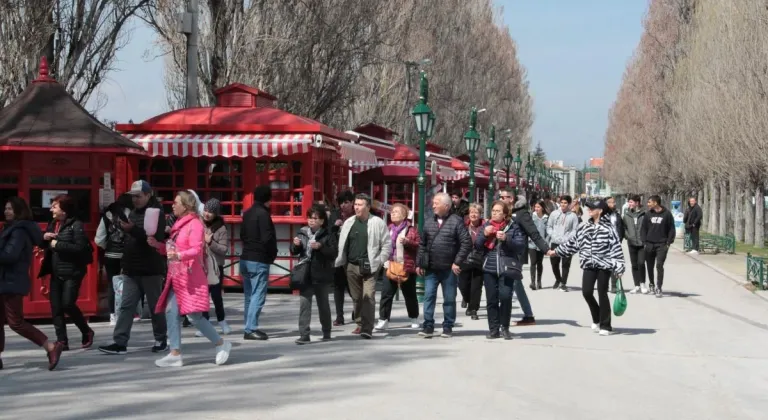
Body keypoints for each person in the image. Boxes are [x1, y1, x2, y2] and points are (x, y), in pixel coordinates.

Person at [148, 191, 231, 367]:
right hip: (177, 275)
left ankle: (221, 343)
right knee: (171, 312)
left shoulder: (195, 224)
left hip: (190, 277)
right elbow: (174, 248)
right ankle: (175, 353)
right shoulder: (180, 225)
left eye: (176, 202)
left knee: (194, 317)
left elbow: (195, 249)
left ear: (185, 206)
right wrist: (159, 246)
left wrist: (178, 255)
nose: (172, 205)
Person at [99, 180, 168, 355]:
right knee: (126, 306)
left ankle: (161, 339)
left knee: (155, 307)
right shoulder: (133, 212)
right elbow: (130, 240)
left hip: (151, 268)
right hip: (131, 267)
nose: (135, 200)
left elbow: (154, 238)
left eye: (138, 196)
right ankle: (120, 342)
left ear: (148, 195)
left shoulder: (156, 213)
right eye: (133, 196)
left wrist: (132, 230)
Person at [0, 197, 64, 371]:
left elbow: (10, 255)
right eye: (5, 208)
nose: (6, 212)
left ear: (19, 211)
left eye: (10, 209)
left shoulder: (19, 231)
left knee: (16, 322)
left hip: (11, 281)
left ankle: (51, 347)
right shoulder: (12, 228)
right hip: (5, 280)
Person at [549, 200, 625, 336]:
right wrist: (556, 251)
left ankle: (606, 325)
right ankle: (597, 316)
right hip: (588, 265)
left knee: (602, 293)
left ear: (600, 210)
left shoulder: (609, 228)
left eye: (592, 208)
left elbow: (616, 248)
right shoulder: (584, 227)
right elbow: (573, 243)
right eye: (588, 208)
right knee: (587, 292)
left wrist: (619, 267)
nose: (589, 210)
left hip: (604, 265)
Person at [39, 194, 95, 351]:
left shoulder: (76, 225)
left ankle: (86, 331)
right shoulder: (53, 224)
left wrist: (57, 244)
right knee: (56, 308)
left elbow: (80, 248)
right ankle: (62, 341)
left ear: (64, 210)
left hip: (73, 271)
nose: (51, 209)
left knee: (67, 304)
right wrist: (45, 237)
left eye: (55, 206)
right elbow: (46, 244)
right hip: (56, 271)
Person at [416, 193, 471, 338]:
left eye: (436, 203)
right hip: (431, 268)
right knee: (429, 296)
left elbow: (466, 243)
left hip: (449, 269)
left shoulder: (456, 221)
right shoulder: (428, 222)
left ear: (446, 206)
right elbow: (422, 245)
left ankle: (448, 326)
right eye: (433, 203)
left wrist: (457, 262)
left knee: (449, 299)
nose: (433, 205)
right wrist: (419, 263)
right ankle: (428, 325)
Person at [335, 194, 390, 339]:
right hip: (351, 266)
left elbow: (386, 245)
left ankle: (367, 328)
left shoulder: (377, 223)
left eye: (360, 204)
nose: (356, 207)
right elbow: (342, 244)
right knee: (356, 297)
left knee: (368, 296)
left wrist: (379, 261)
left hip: (370, 266)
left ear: (368, 207)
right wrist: (343, 262)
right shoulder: (349, 222)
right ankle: (359, 322)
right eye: (355, 204)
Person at [476, 201, 527, 340]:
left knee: (505, 296)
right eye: (493, 210)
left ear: (504, 214)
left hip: (507, 266)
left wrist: (506, 238)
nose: (495, 213)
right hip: (489, 266)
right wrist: (484, 235)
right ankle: (493, 329)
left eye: (498, 211)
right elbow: (477, 245)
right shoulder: (486, 226)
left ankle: (505, 327)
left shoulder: (513, 226)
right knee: (491, 300)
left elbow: (520, 245)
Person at [290, 204, 338, 344]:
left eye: (315, 218)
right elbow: (294, 251)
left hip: (321, 273)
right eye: (310, 218)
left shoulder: (328, 234)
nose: (311, 221)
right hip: (305, 273)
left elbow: (333, 253)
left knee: (323, 304)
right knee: (304, 304)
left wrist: (321, 247)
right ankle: (304, 334)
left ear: (322, 221)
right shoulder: (302, 232)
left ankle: (326, 331)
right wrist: (296, 245)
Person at [503, 190, 548, 326]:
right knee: (513, 284)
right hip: (502, 252)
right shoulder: (501, 211)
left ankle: (524, 315)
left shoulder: (522, 214)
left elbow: (533, 233)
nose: (503, 199)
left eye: (507, 197)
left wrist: (545, 249)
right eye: (501, 196)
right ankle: (525, 315)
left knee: (513, 283)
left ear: (513, 199)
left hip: (516, 253)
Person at [241, 185, 278, 340]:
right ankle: (251, 328)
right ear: (268, 199)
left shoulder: (247, 213)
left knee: (249, 295)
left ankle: (248, 325)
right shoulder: (263, 215)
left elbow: (242, 234)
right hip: (259, 259)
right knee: (258, 294)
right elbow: (267, 238)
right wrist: (272, 254)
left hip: (245, 256)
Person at [376, 203, 421, 330]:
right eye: (392, 212)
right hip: (390, 265)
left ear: (403, 215)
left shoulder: (411, 229)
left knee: (410, 294)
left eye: (396, 212)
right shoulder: (388, 229)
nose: (393, 213)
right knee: (386, 294)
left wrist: (408, 242)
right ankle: (383, 319)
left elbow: (419, 245)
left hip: (405, 266)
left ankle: (414, 318)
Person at [95, 193, 133, 326]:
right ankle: (128, 313)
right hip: (127, 254)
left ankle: (112, 315)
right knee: (129, 284)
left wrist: (108, 247)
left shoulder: (107, 215)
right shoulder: (132, 214)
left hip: (110, 255)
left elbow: (99, 239)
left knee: (112, 285)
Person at [198, 198, 231, 335]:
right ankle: (204, 324)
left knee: (216, 296)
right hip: (201, 265)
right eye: (206, 210)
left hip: (216, 266)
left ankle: (222, 321)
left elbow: (224, 249)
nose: (207, 214)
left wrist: (210, 242)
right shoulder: (198, 224)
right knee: (203, 296)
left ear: (216, 214)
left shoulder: (221, 228)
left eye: (211, 212)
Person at [329, 190, 354, 326]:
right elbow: (328, 234)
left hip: (352, 256)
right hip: (337, 256)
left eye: (346, 202)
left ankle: (357, 310)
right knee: (338, 287)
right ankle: (339, 316)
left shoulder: (357, 216)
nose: (343, 206)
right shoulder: (335, 216)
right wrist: (335, 227)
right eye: (341, 203)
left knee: (353, 287)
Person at [643, 195, 675, 297]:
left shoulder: (667, 214)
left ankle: (659, 287)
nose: (648, 204)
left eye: (649, 202)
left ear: (655, 203)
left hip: (662, 244)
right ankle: (651, 284)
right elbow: (643, 229)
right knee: (650, 266)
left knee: (659, 265)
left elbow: (671, 229)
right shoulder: (648, 215)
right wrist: (644, 242)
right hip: (649, 244)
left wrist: (668, 242)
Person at [546, 195, 580, 291]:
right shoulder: (554, 214)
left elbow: (575, 230)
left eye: (565, 203)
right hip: (555, 242)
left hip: (567, 243)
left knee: (566, 264)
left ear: (569, 204)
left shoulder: (573, 216)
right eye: (562, 202)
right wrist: (553, 235)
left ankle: (563, 283)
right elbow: (549, 227)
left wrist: (567, 238)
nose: (563, 205)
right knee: (554, 263)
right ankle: (558, 279)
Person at [459, 203, 484, 320]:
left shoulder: (484, 226)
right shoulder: (463, 226)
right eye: (471, 212)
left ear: (480, 214)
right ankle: (467, 299)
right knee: (463, 284)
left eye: (476, 212)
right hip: (465, 259)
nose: (473, 214)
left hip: (480, 259)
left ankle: (473, 308)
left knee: (476, 286)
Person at [622, 195, 648, 294]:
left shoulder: (645, 214)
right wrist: (628, 236)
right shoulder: (627, 215)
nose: (630, 204)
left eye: (631, 202)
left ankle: (642, 284)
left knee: (641, 263)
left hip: (642, 243)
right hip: (631, 242)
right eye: (629, 202)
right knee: (634, 264)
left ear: (637, 203)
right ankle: (636, 285)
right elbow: (624, 228)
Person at [605, 196, 625, 293]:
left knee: (615, 265)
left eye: (614, 202)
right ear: (607, 204)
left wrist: (620, 239)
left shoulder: (617, 215)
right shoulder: (602, 215)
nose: (614, 204)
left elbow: (621, 227)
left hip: (615, 244)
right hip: (604, 243)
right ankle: (604, 285)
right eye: (612, 202)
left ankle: (614, 286)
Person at [528, 200, 549, 290]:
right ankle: (533, 282)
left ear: (542, 208)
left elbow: (548, 232)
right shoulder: (531, 217)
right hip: (532, 243)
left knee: (539, 263)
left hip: (541, 244)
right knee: (533, 263)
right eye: (535, 207)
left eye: (538, 207)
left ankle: (539, 282)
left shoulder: (546, 218)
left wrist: (546, 242)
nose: (536, 209)